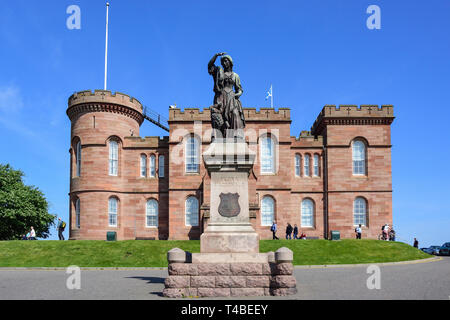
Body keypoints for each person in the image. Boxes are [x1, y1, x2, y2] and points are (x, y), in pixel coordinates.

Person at [207, 52, 246, 139]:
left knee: (235, 113)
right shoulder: (219, 73)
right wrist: (216, 56)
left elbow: (239, 89)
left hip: (231, 98)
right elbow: (210, 66)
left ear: (230, 62)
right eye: (223, 62)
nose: (224, 63)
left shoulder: (235, 76)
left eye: (226, 61)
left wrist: (236, 95)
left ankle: (236, 135)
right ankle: (220, 136)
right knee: (220, 118)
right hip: (220, 97)